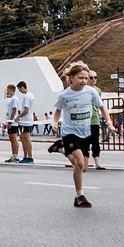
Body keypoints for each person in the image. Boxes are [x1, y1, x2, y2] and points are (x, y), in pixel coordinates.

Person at [52, 61, 113, 208]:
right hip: (70, 133)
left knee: (83, 168)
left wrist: (109, 122)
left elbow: (102, 107)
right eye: (81, 78)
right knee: (79, 162)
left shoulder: (91, 92)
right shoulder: (64, 95)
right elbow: (58, 111)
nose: (84, 81)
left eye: (86, 78)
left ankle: (62, 149)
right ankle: (80, 195)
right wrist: (55, 123)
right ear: (71, 78)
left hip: (85, 133)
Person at [13, 81, 35, 164]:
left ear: (22, 87)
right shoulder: (31, 95)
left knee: (25, 139)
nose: (20, 91)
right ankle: (27, 155)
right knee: (23, 138)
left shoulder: (26, 97)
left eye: (19, 89)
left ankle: (28, 156)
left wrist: (18, 117)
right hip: (28, 120)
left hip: (25, 121)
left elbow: (26, 110)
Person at [87, 70, 105, 170]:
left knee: (95, 141)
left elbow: (99, 105)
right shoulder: (83, 89)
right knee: (83, 140)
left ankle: (97, 162)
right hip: (84, 119)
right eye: (91, 77)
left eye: (95, 77)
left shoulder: (98, 90)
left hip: (94, 118)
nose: (93, 79)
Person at [4, 84, 21, 163]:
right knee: (11, 139)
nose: (7, 91)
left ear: (11, 90)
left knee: (14, 139)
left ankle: (16, 156)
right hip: (9, 121)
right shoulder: (10, 99)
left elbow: (14, 110)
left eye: (7, 90)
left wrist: (10, 121)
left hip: (13, 122)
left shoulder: (14, 99)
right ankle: (13, 155)